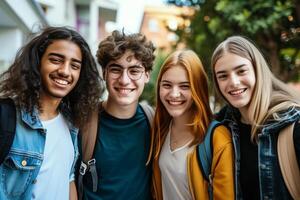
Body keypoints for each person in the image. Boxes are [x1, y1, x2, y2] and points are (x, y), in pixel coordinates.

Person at [0, 26, 103, 200]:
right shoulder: (5, 115)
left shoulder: (72, 122)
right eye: (56, 60)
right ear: (37, 62)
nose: (65, 71)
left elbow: (68, 179)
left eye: (75, 66)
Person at [211, 35, 300, 199]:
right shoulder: (221, 127)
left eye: (241, 71)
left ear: (257, 70)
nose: (234, 82)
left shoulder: (294, 124)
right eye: (223, 76)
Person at [80, 30, 155, 199]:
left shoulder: (156, 123)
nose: (124, 80)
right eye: (116, 69)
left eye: (134, 71)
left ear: (147, 76)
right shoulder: (82, 123)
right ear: (104, 73)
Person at [150, 50, 234, 200]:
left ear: (198, 88)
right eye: (167, 85)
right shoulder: (159, 129)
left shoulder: (218, 139)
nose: (174, 94)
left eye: (184, 86)